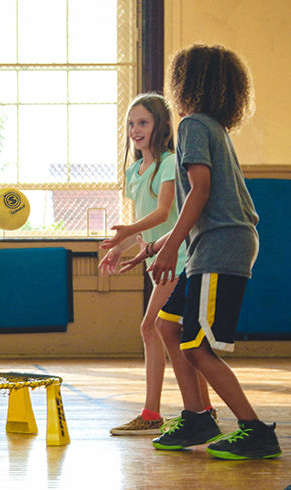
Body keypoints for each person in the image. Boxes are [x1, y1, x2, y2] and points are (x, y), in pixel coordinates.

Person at [120, 44, 281, 460]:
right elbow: (201, 201)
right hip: (210, 245)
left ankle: (255, 429)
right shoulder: (211, 127)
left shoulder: (192, 124)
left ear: (186, 82)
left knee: (195, 346)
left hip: (221, 247)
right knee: (167, 326)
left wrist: (171, 248)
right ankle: (197, 416)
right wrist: (156, 245)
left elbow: (202, 192)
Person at [99, 94, 213, 436]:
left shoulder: (169, 162)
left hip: (179, 259)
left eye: (143, 122)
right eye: (131, 123)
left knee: (153, 328)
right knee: (171, 334)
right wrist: (120, 247)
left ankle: (155, 413)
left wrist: (127, 235)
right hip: (158, 260)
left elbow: (164, 212)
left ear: (161, 126)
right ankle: (202, 409)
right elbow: (147, 224)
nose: (136, 129)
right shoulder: (135, 170)